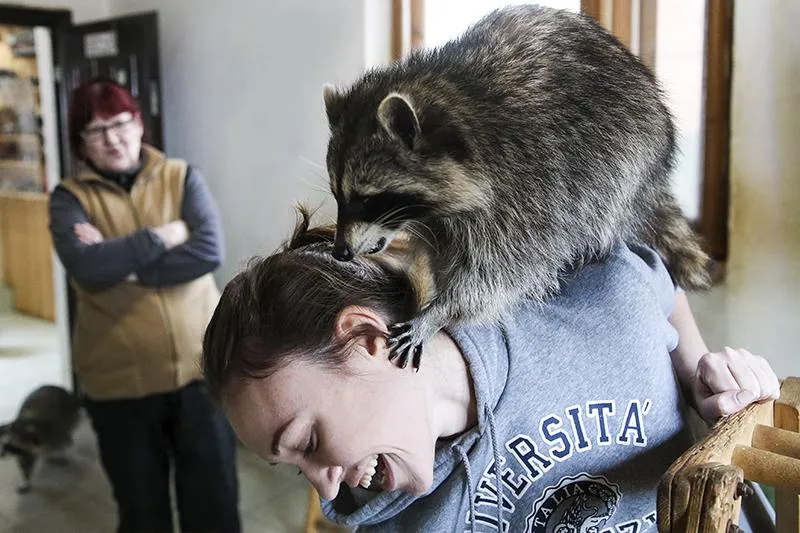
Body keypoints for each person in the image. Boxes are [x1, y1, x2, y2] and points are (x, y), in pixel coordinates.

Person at [201, 213, 780, 533]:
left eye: (308, 442)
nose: (326, 487)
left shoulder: (584, 300)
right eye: (293, 467)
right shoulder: (391, 518)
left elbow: (652, 277)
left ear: (369, 341)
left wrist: (698, 374)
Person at [48, 79, 240, 533]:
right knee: (142, 512)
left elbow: (208, 252)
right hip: (120, 390)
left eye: (118, 123)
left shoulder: (182, 176)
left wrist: (125, 264)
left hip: (200, 374)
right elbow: (86, 265)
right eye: (95, 131)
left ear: (138, 123)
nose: (111, 138)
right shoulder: (70, 199)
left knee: (214, 506)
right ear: (80, 143)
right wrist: (163, 236)